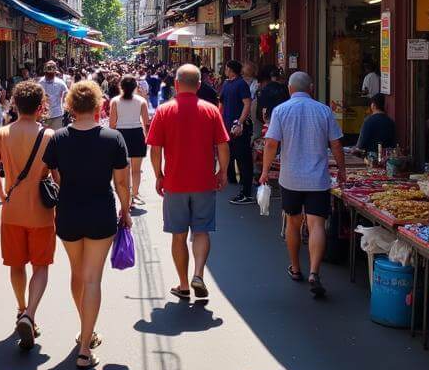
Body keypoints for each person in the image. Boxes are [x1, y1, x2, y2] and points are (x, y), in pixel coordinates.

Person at [42, 80, 131, 369]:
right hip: (100, 211)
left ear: (69, 106)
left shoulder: (58, 138)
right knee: (92, 278)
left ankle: (85, 329)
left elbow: (53, 174)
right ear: (98, 106)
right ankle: (85, 345)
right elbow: (121, 182)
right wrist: (126, 210)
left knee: (77, 273)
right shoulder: (112, 138)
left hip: (67, 210)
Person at [260, 70, 346, 298]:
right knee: (317, 225)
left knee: (293, 222)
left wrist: (265, 171)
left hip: (291, 178)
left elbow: (271, 144)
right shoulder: (324, 110)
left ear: (290, 89)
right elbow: (336, 144)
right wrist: (342, 169)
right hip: (318, 179)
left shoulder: (281, 110)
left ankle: (296, 267)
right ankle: (315, 272)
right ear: (311, 89)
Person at [147, 64, 230, 302]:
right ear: (199, 85)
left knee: (178, 235)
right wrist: (223, 171)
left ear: (176, 84)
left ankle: (183, 285)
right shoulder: (211, 110)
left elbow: (155, 149)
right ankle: (198, 274)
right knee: (202, 230)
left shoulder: (164, 111)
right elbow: (223, 145)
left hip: (175, 182)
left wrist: (158, 174)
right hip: (204, 181)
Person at [0, 81, 55, 349]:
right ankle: (30, 314)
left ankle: (20, 307)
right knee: (41, 266)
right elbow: (58, 176)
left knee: (16, 264)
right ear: (41, 107)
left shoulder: (2, 134)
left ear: (14, 105)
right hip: (41, 212)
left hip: (12, 211)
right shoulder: (49, 136)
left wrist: (1, 196)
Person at [110, 74, 151, 204]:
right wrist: (148, 138)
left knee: (124, 169)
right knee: (136, 169)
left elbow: (112, 124)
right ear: (135, 87)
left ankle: (126, 195)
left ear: (120, 86)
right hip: (137, 134)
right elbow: (146, 123)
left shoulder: (115, 101)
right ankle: (134, 194)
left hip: (121, 135)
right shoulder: (141, 101)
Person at [220, 59, 254, 205]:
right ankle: (234, 182)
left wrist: (240, 122)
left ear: (230, 69)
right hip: (227, 126)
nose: (225, 71)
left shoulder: (241, 84)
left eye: (226, 68)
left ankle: (246, 192)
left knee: (243, 160)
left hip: (238, 128)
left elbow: (247, 104)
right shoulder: (227, 84)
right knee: (229, 155)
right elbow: (221, 104)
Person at [39, 61, 68, 130]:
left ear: (55, 73)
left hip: (57, 114)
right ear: (45, 73)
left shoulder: (60, 83)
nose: (49, 75)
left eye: (51, 74)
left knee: (56, 136)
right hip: (44, 115)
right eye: (48, 73)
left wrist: (64, 103)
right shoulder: (40, 83)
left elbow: (67, 94)